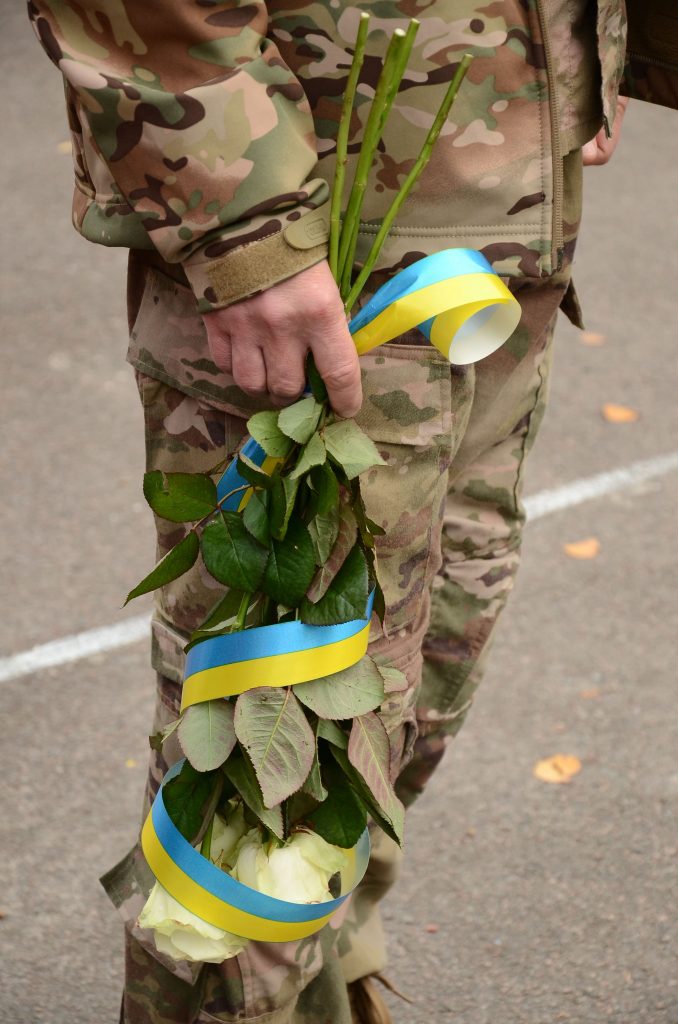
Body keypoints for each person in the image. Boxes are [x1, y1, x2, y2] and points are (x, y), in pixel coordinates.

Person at [29, 1, 674, 1022]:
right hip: (313, 232)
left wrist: (598, 46)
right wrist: (240, 223)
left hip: (498, 201)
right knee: (274, 750)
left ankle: (331, 976)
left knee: (425, 674)